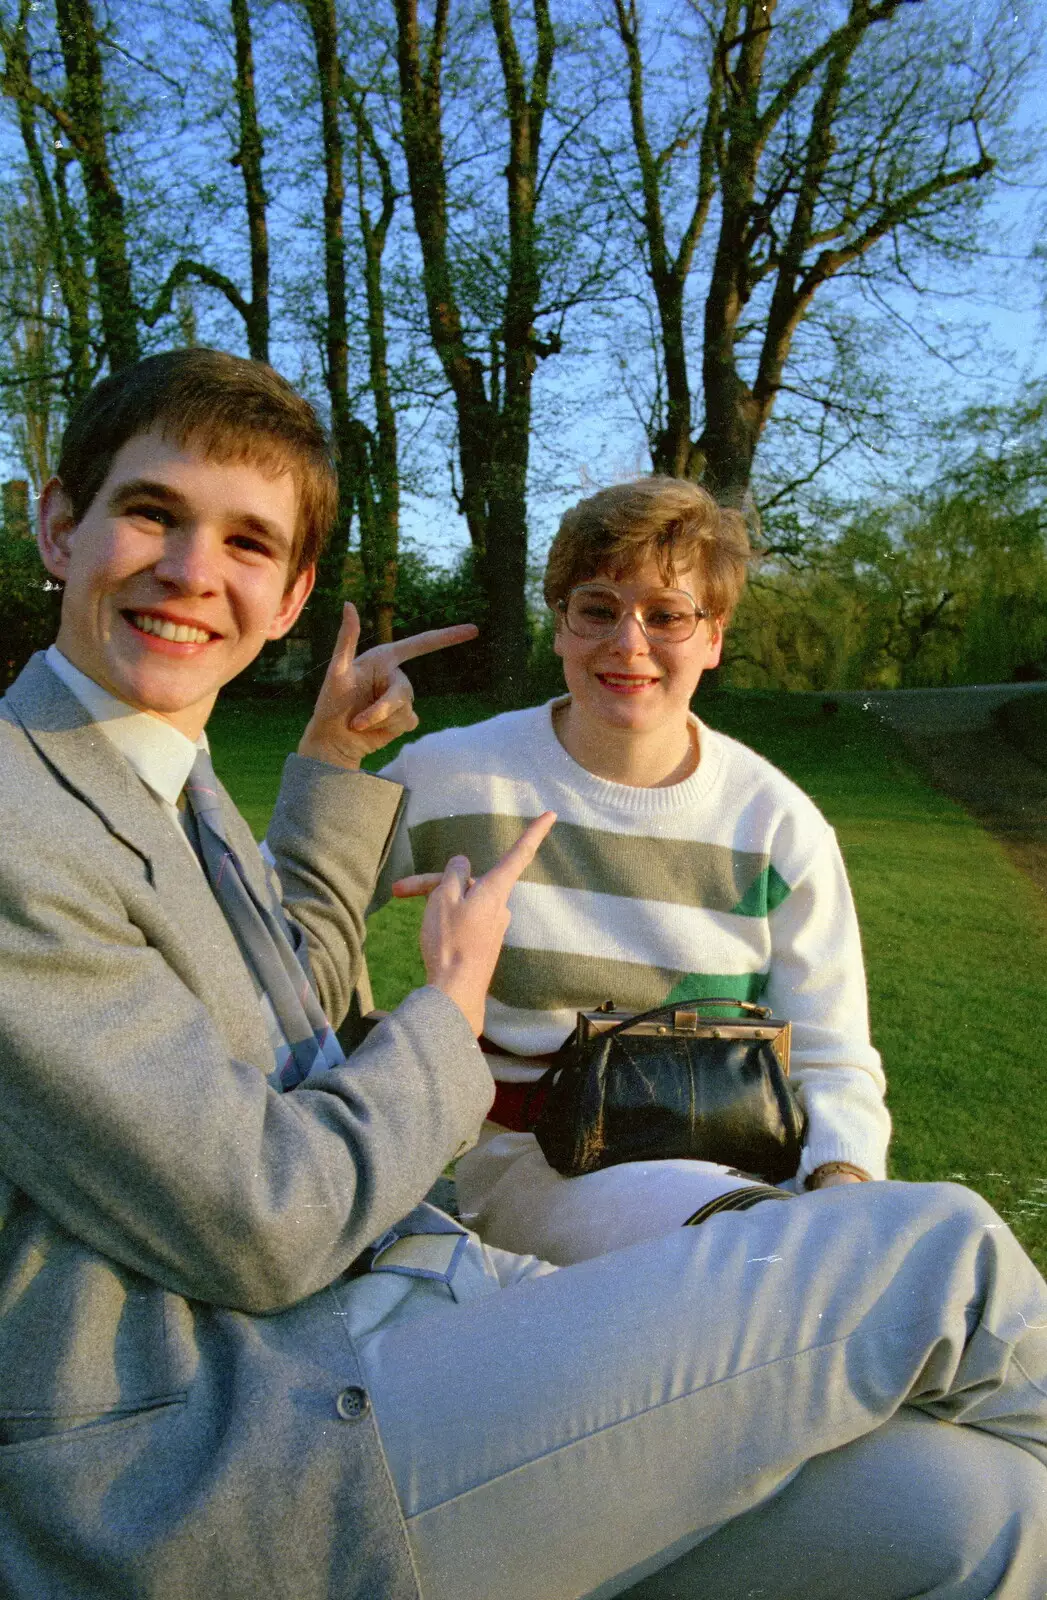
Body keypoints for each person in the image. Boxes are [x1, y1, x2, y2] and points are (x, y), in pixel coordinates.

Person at [1, 348, 1046, 1600]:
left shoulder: (167, 783)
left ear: (289, 598)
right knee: (939, 1253)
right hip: (241, 1455)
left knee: (978, 1510)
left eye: (246, 542)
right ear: (60, 524)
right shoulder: (24, 822)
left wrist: (327, 773)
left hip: (410, 1314)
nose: (191, 571)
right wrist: (448, 1005)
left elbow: (287, 997)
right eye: (153, 514)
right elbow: (266, 1221)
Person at [378, 478, 890, 1264]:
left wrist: (844, 1184)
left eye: (666, 614)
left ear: (712, 636)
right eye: (597, 608)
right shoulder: (454, 775)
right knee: (777, 1262)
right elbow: (282, 910)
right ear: (559, 625)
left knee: (950, 1249)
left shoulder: (777, 825)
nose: (628, 642)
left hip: (748, 1175)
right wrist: (331, 759)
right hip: (539, 1162)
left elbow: (831, 1054)